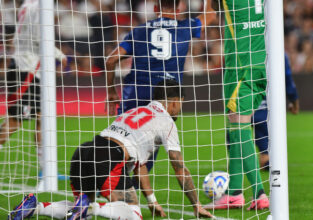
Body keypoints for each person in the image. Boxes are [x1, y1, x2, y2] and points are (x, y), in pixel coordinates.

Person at [8, 80, 214, 220]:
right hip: (111, 157)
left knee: (83, 209)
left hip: (85, 152)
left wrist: (151, 200)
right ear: (175, 101)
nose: (180, 109)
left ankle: (36, 206)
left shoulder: (134, 111)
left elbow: (139, 165)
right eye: (181, 104)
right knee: (133, 214)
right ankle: (89, 206)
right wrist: (196, 204)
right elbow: (179, 168)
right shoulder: (166, 122)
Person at [105, 0, 216, 174]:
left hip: (136, 93)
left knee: (122, 141)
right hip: (164, 97)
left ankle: (107, 183)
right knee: (151, 145)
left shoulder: (140, 30)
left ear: (155, 9)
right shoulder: (185, 27)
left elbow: (110, 61)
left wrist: (111, 92)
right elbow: (211, 14)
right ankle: (130, 188)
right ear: (179, 8)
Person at [205, 0, 269, 210]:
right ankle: (234, 193)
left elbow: (212, 8)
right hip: (261, 61)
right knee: (234, 128)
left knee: (239, 126)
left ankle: (259, 193)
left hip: (240, 66)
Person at [0, 0, 67, 176]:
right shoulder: (41, 5)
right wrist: (60, 55)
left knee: (42, 119)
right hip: (27, 70)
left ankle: (45, 168)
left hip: (25, 66)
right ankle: (45, 168)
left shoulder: (26, 4)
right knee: (15, 120)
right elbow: (39, 37)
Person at [227, 54, 299, 169]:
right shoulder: (279, 52)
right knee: (266, 155)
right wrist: (294, 101)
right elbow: (288, 79)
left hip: (241, 106)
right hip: (264, 111)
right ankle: (265, 160)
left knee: (235, 145)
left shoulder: (242, 47)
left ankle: (237, 164)